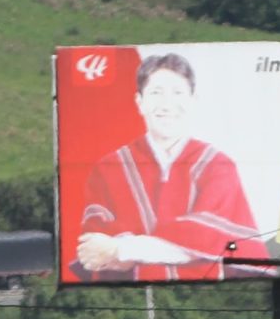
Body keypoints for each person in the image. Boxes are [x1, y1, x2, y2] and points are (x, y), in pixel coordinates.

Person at [74, 52, 266, 282]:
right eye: (156, 93)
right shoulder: (109, 168)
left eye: (177, 93)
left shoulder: (217, 165)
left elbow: (210, 242)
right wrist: (117, 252)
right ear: (140, 102)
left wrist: (122, 250)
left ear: (193, 101)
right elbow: (94, 250)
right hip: (125, 298)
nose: (167, 104)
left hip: (205, 295)